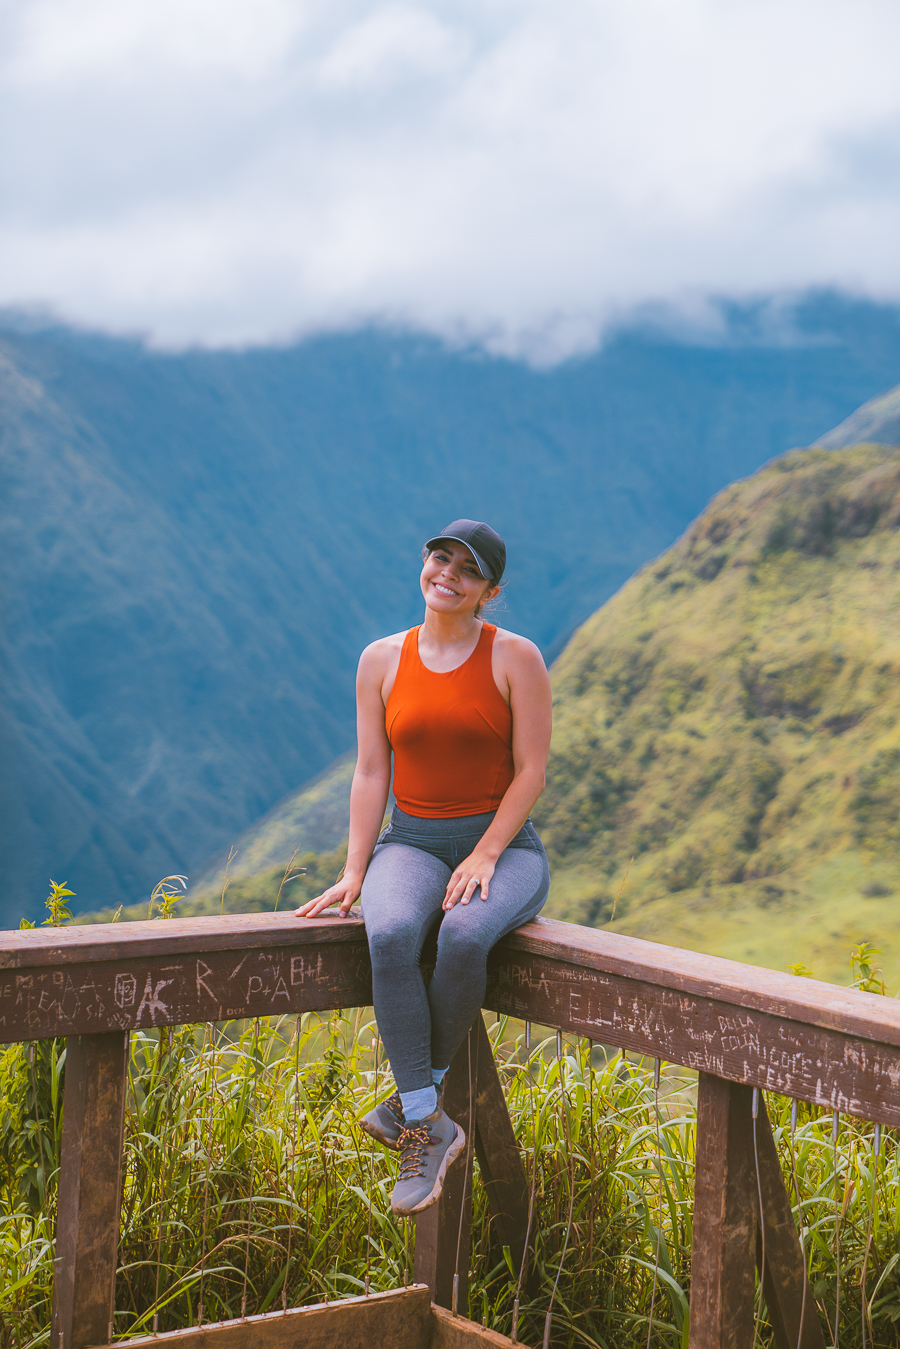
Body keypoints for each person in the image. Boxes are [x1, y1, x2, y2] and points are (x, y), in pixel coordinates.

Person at [295, 520, 552, 1215]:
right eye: (442, 557)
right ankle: (427, 1118)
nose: (450, 574)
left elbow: (532, 770)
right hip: (409, 840)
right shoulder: (380, 659)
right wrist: (355, 869)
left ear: (488, 592)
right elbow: (372, 770)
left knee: (466, 937)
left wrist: (488, 850)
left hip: (504, 845)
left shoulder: (515, 657)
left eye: (469, 570)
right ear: (425, 563)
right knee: (388, 934)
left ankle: (413, 1108)